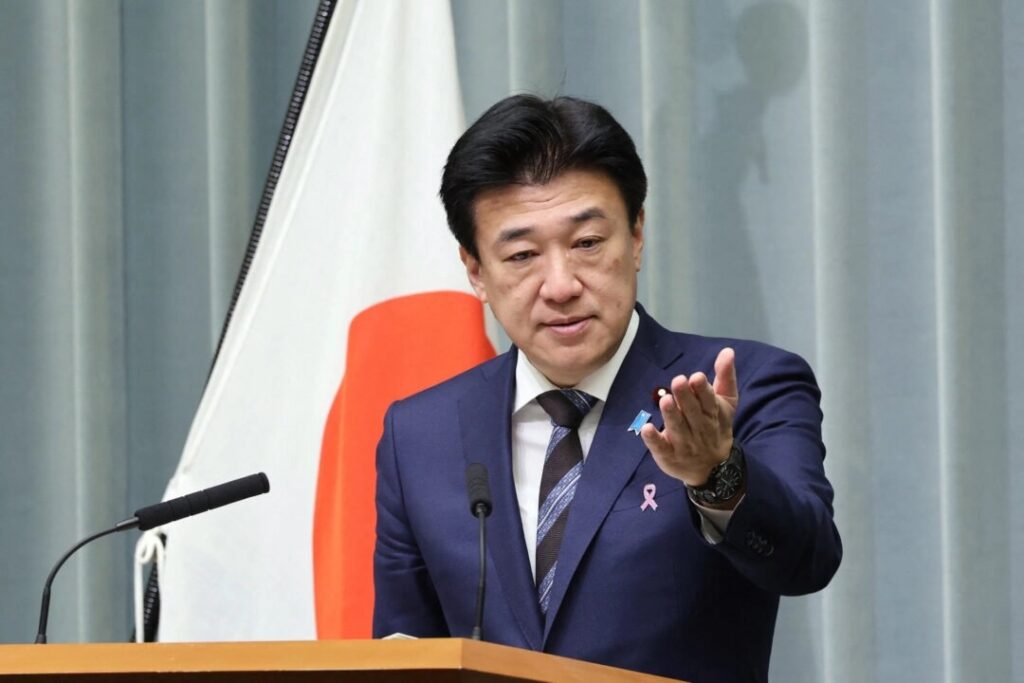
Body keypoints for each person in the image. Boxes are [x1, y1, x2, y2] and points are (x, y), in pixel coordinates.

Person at [373, 94, 841, 682]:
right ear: (475, 272)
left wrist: (716, 472)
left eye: (587, 243)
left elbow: (806, 562)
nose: (561, 284)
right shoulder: (420, 434)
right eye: (521, 255)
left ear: (636, 234)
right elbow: (403, 650)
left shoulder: (744, 388)